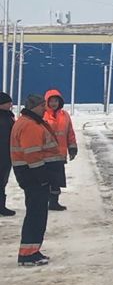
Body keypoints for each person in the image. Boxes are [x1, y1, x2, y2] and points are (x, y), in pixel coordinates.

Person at [11, 92, 59, 265]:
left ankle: (31, 250)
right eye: (42, 106)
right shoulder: (30, 125)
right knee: (36, 214)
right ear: (34, 107)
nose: (44, 109)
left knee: (35, 213)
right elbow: (32, 154)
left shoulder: (26, 122)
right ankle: (27, 254)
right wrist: (43, 177)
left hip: (29, 174)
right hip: (33, 176)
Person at [42, 88, 77, 212]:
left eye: (56, 101)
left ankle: (54, 202)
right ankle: (42, 202)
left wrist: (72, 147)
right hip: (44, 155)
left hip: (59, 155)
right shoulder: (41, 114)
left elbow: (70, 133)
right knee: (45, 181)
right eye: (51, 101)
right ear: (46, 102)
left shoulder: (65, 115)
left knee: (56, 180)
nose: (53, 103)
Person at [0, 93, 14, 217]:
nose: (11, 104)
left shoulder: (8, 116)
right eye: (8, 102)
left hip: (7, 154)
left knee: (3, 181)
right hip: (3, 154)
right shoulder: (4, 118)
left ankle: (2, 205)